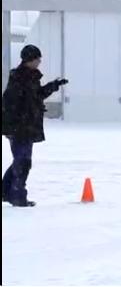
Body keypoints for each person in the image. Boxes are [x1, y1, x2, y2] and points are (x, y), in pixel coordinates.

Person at [2, 44, 69, 207]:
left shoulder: (31, 77)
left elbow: (37, 95)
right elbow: (11, 102)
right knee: (23, 161)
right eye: (37, 58)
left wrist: (54, 85)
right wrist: (16, 122)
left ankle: (6, 191)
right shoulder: (18, 78)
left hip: (26, 126)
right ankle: (17, 196)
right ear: (29, 60)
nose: (39, 61)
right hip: (19, 127)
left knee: (21, 160)